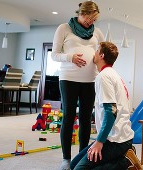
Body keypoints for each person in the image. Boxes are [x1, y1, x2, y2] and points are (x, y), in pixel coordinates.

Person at [70, 42, 141, 169]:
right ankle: (122, 156)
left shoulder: (103, 77)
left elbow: (111, 111)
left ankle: (125, 163)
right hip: (119, 138)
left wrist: (99, 141)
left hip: (116, 140)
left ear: (101, 55)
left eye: (97, 51)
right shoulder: (112, 74)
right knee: (73, 164)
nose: (94, 53)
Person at [51, 1, 105, 169]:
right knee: (68, 116)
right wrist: (70, 57)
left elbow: (103, 53)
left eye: (94, 20)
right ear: (81, 14)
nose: (91, 22)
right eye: (90, 19)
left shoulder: (97, 32)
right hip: (68, 78)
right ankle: (66, 159)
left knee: (86, 119)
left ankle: (83, 157)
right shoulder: (64, 28)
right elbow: (54, 55)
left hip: (90, 80)